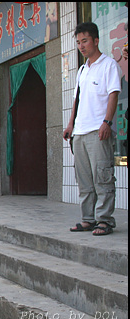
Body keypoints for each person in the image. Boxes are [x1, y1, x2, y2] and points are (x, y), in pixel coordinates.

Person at [63, 22, 122, 236]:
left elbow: (113, 94)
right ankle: (88, 219)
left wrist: (107, 122)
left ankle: (105, 220)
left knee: (102, 176)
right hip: (79, 132)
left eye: (85, 41)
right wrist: (71, 124)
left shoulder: (108, 65)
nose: (81, 46)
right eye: (78, 42)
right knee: (84, 179)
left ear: (96, 40)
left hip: (98, 131)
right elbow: (77, 100)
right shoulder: (82, 70)